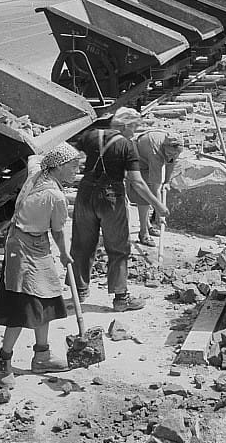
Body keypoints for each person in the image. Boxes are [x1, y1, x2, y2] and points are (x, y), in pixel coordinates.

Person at [0, 143, 81, 388]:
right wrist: (64, 254)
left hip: (33, 243)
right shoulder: (55, 196)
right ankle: (3, 360)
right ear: (59, 167)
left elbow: (34, 157)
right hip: (23, 248)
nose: (77, 170)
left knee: (47, 297)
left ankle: (42, 355)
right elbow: (58, 231)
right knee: (23, 305)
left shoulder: (37, 171)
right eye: (73, 166)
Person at [70, 107, 169, 312]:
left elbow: (71, 156)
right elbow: (137, 182)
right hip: (111, 197)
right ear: (124, 126)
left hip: (85, 193)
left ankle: (78, 291)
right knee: (118, 247)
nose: (134, 132)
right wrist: (158, 206)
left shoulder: (89, 136)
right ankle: (120, 298)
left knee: (82, 243)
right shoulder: (127, 146)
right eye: (133, 127)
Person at [127, 130, 184, 246]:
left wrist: (167, 182)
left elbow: (171, 162)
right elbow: (155, 188)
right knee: (144, 196)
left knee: (148, 195)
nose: (171, 156)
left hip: (146, 156)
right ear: (163, 147)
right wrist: (159, 212)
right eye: (169, 154)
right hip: (136, 157)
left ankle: (148, 226)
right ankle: (143, 233)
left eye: (175, 154)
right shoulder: (155, 153)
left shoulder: (175, 145)